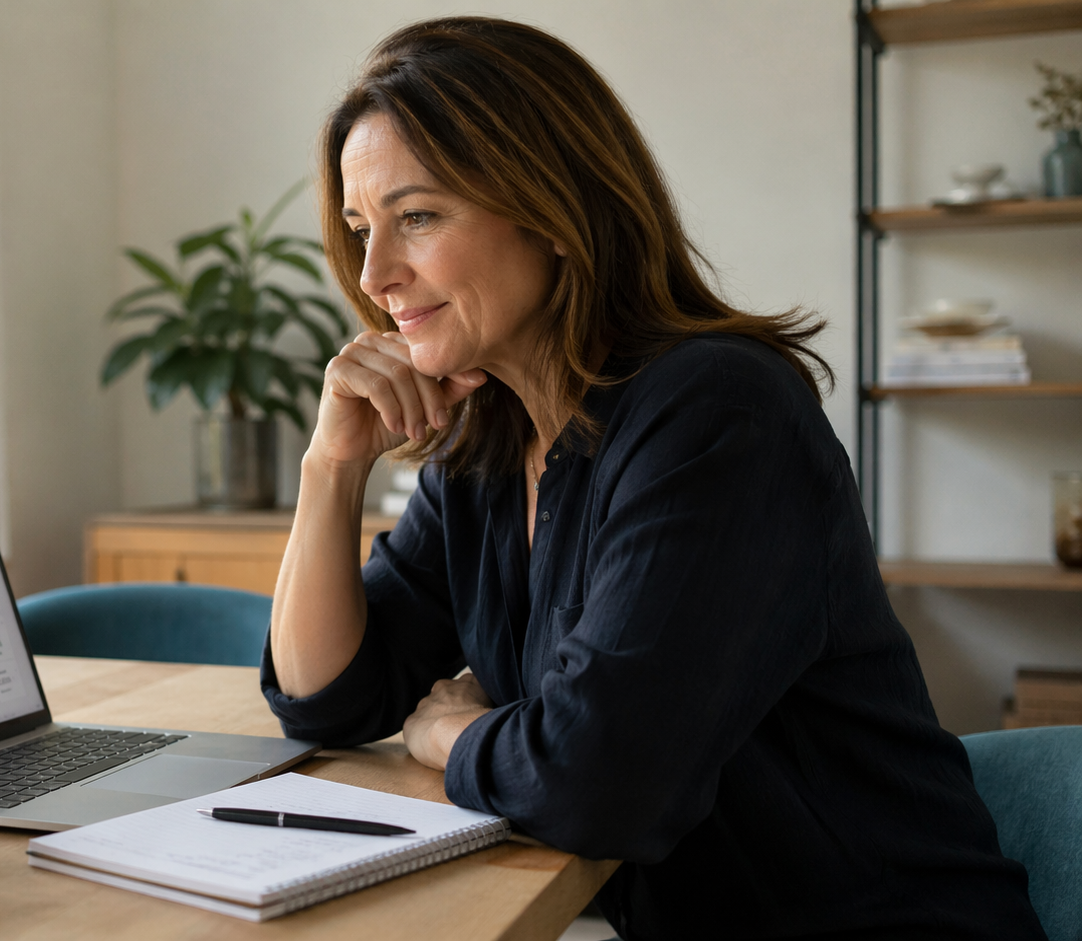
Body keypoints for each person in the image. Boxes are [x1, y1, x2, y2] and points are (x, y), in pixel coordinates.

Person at [263, 16, 1044, 940]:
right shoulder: (488, 438)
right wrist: (331, 467)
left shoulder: (717, 413)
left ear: (552, 209)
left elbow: (595, 782)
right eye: (361, 229)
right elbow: (329, 698)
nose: (376, 272)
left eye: (418, 216)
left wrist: (447, 735)